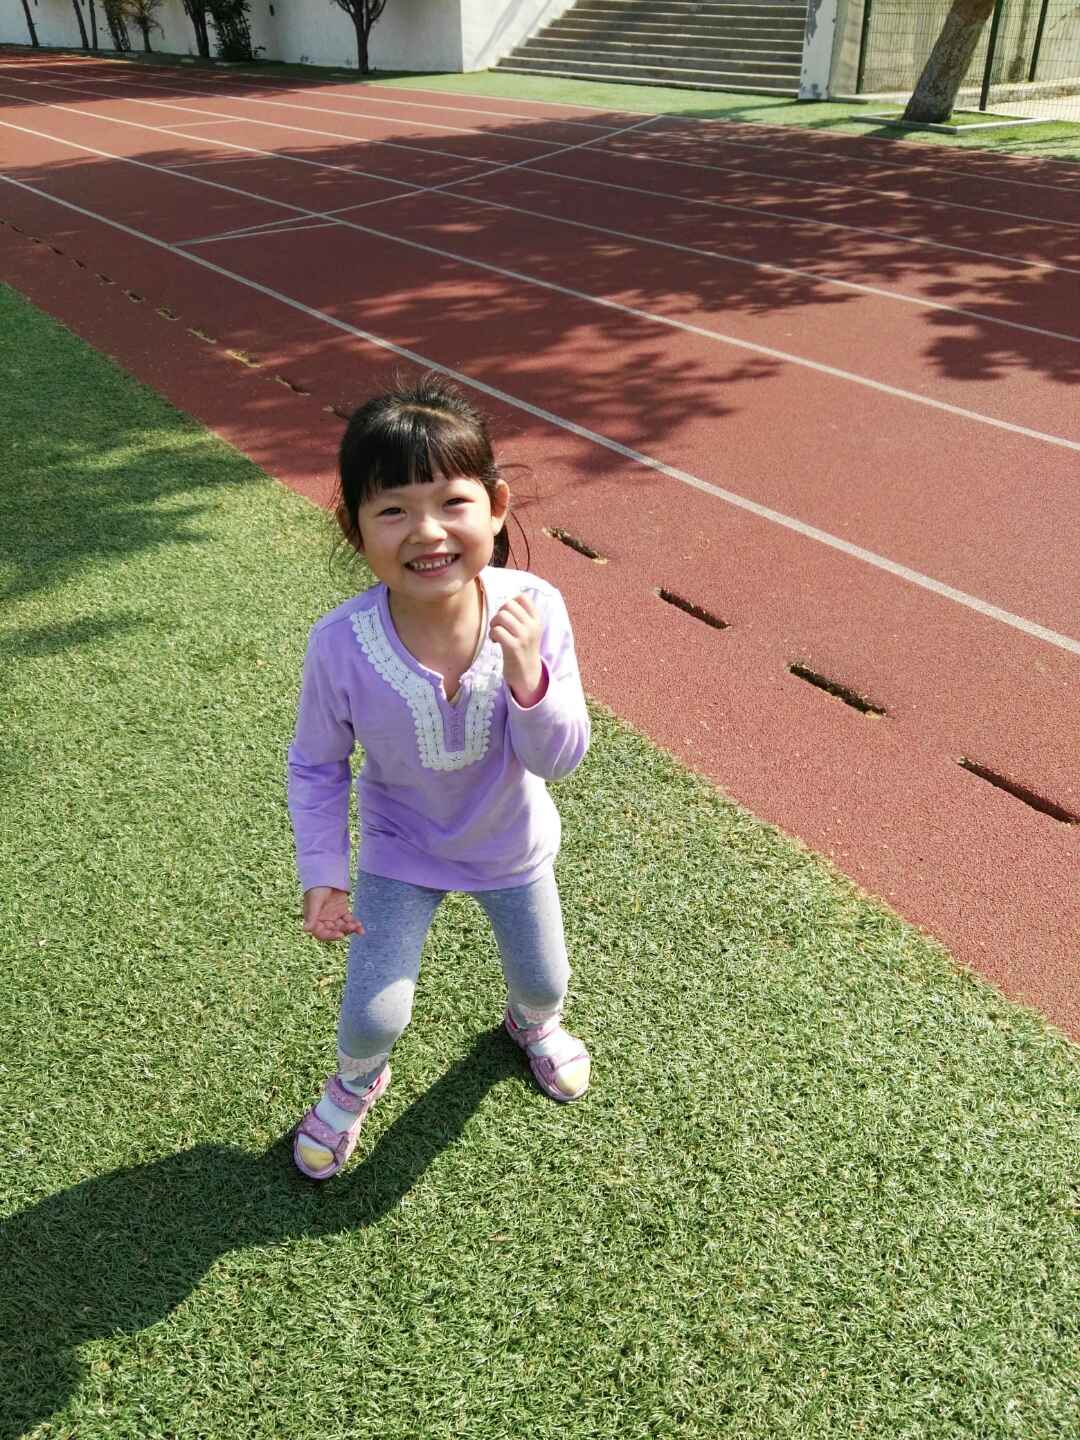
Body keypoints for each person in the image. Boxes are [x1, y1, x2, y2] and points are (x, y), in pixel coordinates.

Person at [287, 375, 592, 1180]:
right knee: (373, 1016)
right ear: (354, 529)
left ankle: (531, 1026)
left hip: (510, 843)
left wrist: (528, 677)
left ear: (496, 506)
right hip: (402, 849)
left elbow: (560, 760)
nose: (427, 531)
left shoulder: (535, 608)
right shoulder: (340, 644)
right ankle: (356, 1082)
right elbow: (317, 764)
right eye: (392, 510)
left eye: (453, 501)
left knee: (545, 981)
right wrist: (323, 873)